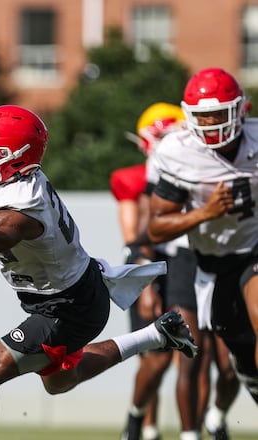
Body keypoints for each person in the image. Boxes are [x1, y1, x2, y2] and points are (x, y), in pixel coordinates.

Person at [0, 104, 198, 440]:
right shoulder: (1, 173)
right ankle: (155, 335)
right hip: (61, 294)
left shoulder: (21, 209)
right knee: (61, 380)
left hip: (69, 306)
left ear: (18, 159)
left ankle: (155, 336)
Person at [147, 67, 258, 422]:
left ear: (241, 110)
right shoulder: (179, 152)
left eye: (219, 113)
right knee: (239, 352)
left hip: (254, 249)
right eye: (202, 115)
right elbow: (157, 228)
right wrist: (204, 213)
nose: (211, 122)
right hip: (212, 264)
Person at [114, 103, 209, 440]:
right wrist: (146, 281)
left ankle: (190, 433)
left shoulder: (207, 160)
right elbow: (139, 234)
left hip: (187, 259)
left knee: (194, 348)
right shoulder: (149, 170)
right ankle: (137, 419)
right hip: (151, 261)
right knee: (155, 358)